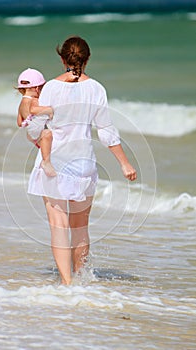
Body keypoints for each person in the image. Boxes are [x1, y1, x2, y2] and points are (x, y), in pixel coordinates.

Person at [28, 36, 137, 285]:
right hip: (84, 164)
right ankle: (81, 279)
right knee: (80, 228)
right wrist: (124, 163)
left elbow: (35, 130)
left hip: (54, 163)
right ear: (87, 59)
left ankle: (68, 285)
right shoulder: (97, 89)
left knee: (59, 226)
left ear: (62, 58)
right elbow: (106, 131)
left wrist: (34, 133)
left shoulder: (51, 89)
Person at [16, 68, 56, 177]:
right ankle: (46, 162)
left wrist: (30, 122)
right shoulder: (33, 100)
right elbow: (34, 110)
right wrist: (50, 110)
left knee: (44, 139)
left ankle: (43, 152)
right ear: (37, 88)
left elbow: (20, 123)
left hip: (31, 133)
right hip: (38, 131)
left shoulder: (21, 103)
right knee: (47, 134)